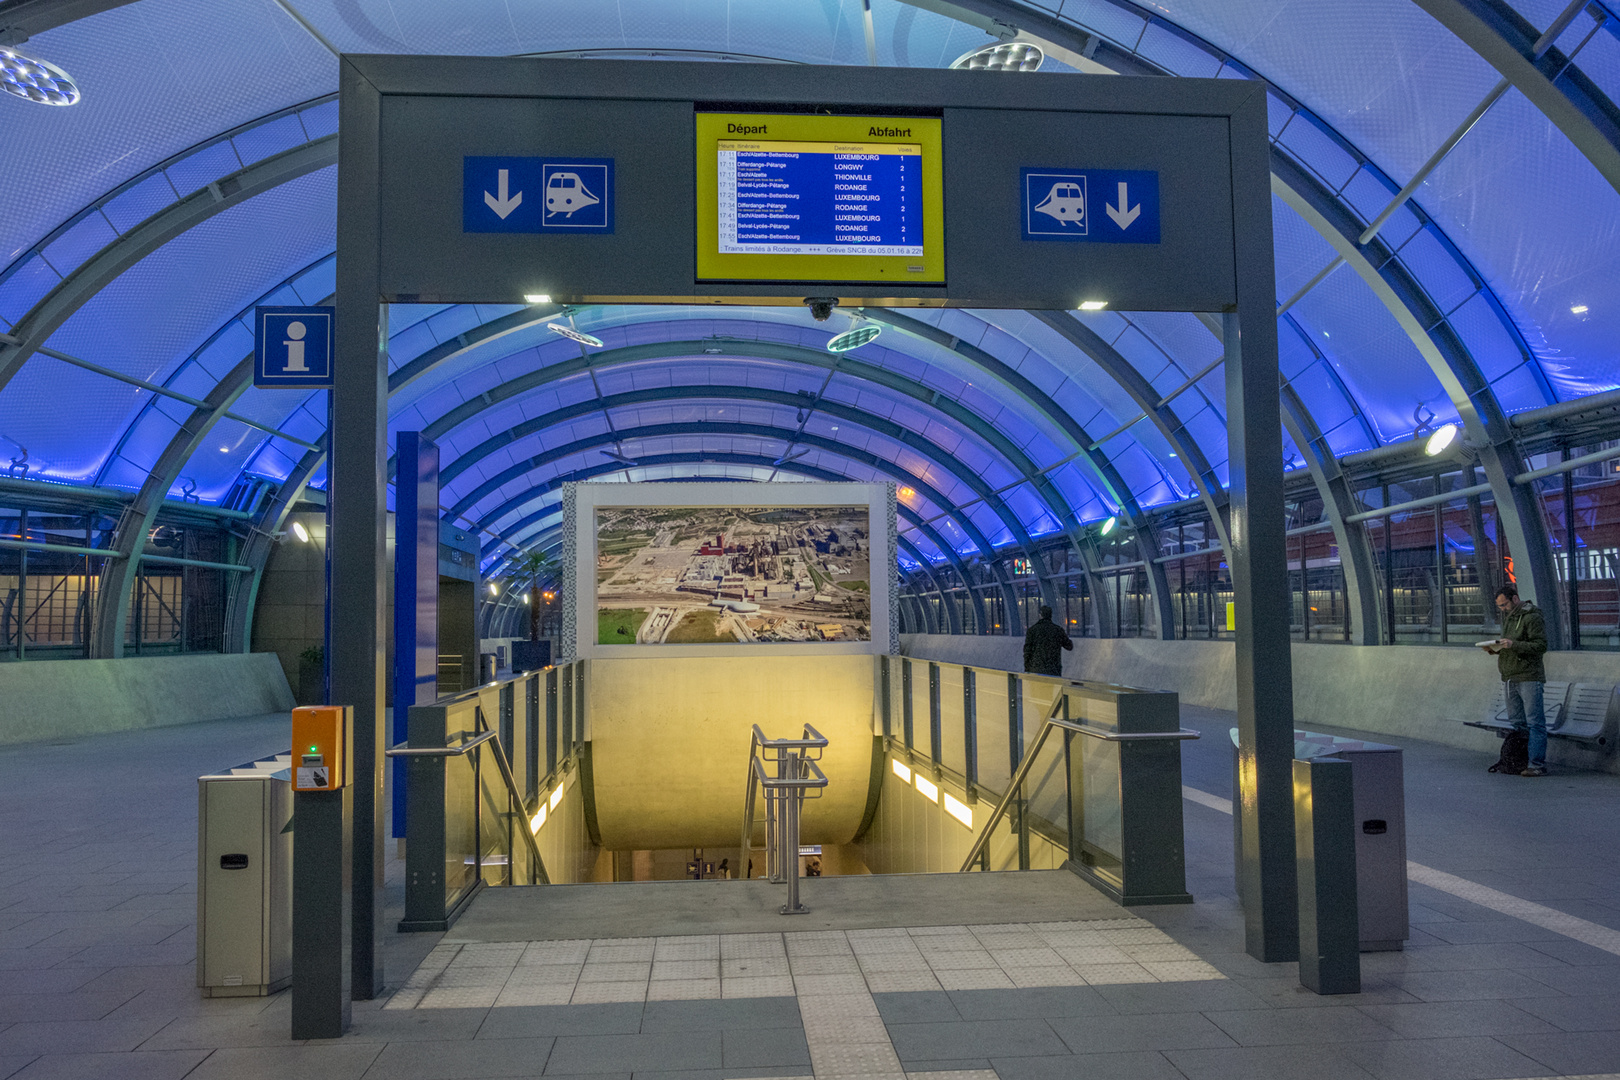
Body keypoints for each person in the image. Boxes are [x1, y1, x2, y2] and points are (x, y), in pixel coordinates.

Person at [1484, 584, 1549, 777]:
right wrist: (1497, 649)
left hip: (1528, 676)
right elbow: (1510, 645)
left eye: (1504, 605)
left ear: (1515, 599)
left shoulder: (1532, 617)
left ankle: (1537, 763)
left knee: (1534, 721)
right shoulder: (1509, 618)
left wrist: (1514, 645)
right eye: (1500, 607)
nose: (1502, 609)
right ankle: (1522, 761)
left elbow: (1540, 645)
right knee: (1518, 722)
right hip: (1510, 676)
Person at [1023, 605, 1073, 676]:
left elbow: (1027, 651)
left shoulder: (1032, 630)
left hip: (1035, 670)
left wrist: (1027, 668)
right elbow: (1069, 646)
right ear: (1051, 615)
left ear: (1040, 615)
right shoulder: (1058, 630)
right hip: (1053, 670)